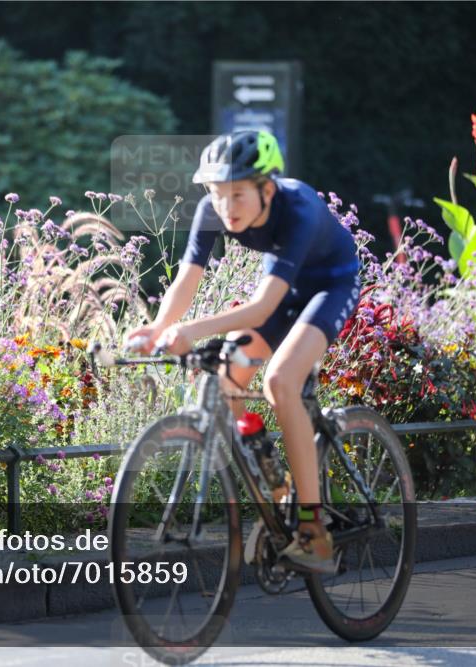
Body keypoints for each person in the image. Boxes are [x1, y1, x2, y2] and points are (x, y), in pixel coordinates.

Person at [125, 130, 361, 572]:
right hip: (283, 291)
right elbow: (187, 280)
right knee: (225, 379)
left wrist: (189, 331)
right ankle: (279, 488)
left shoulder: (297, 209)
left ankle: (313, 530)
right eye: (217, 194)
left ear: (266, 189)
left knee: (280, 381)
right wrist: (157, 328)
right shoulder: (211, 210)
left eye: (237, 195)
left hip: (330, 285)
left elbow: (263, 308)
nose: (226, 207)